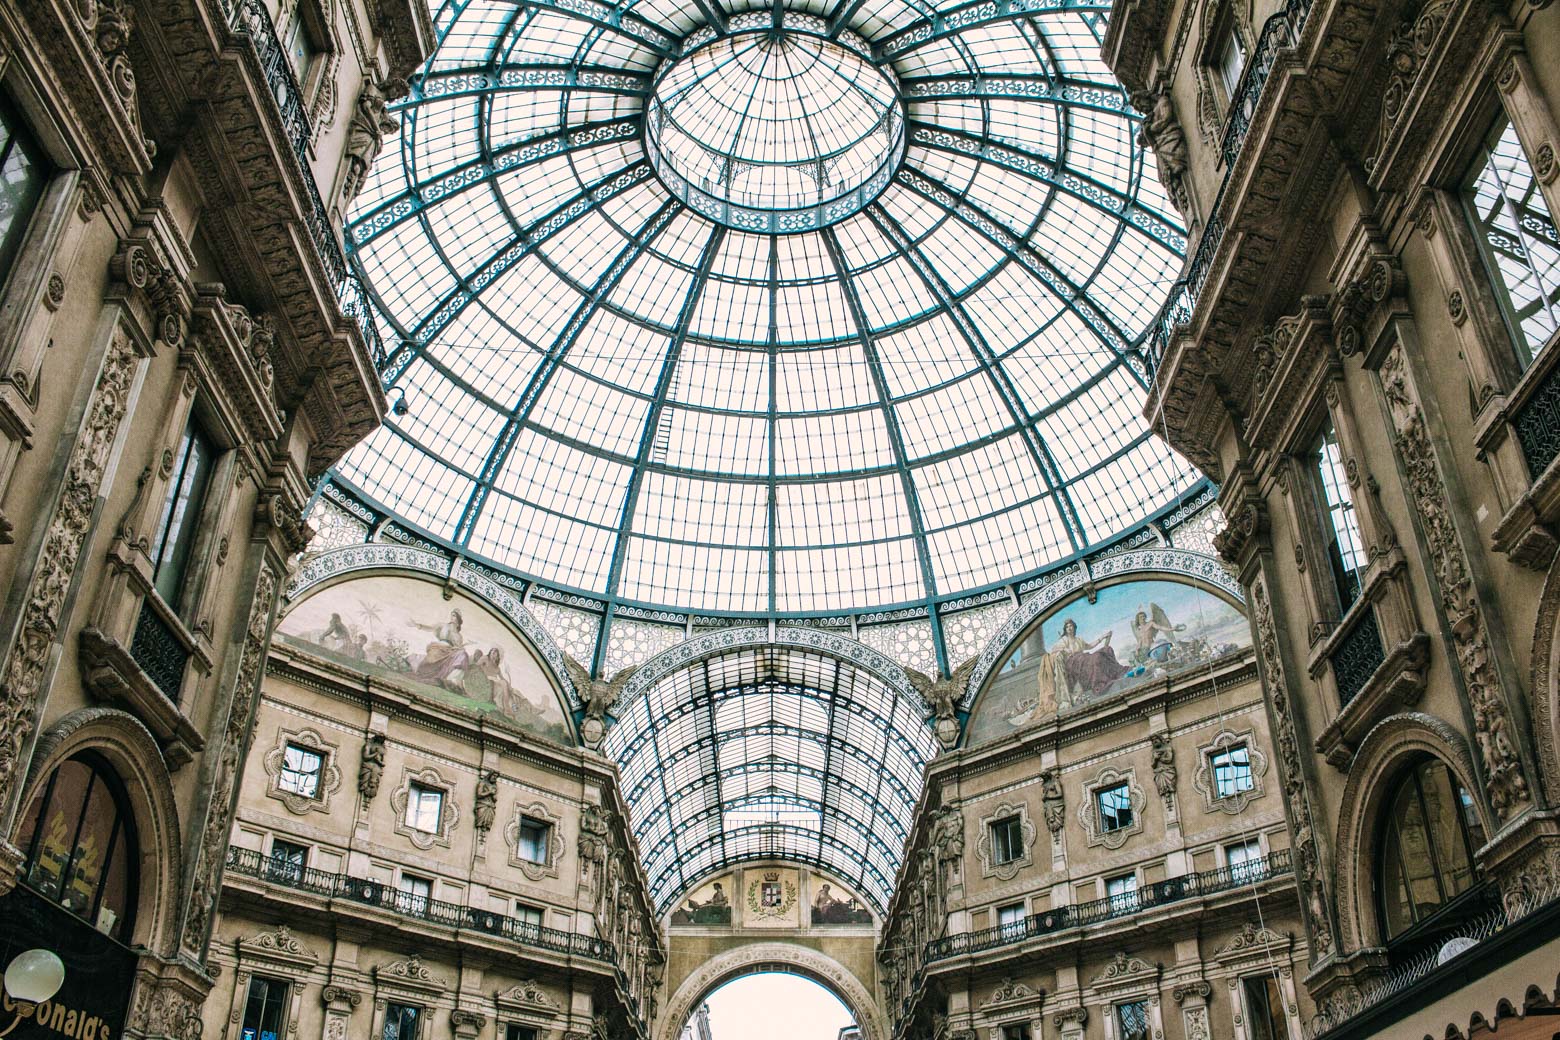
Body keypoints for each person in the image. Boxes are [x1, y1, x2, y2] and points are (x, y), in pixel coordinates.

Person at [411, 609, 472, 690]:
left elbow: (457, 648)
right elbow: (430, 628)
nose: (451, 617)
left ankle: (450, 680)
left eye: (454, 615)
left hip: (449, 651)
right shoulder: (443, 625)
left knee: (463, 654)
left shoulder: (459, 636)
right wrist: (417, 625)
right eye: (451, 615)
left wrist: (464, 645)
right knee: (431, 660)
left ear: (458, 618)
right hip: (438, 648)